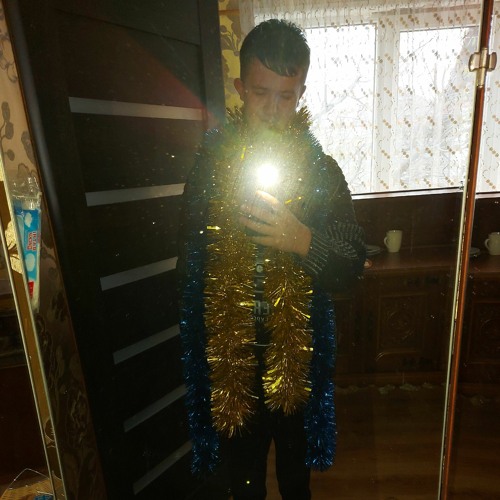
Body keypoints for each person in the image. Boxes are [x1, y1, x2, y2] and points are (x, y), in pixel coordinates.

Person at [177, 19, 366, 500]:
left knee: (296, 480)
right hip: (231, 356)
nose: (273, 110)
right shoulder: (210, 166)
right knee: (242, 479)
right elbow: (187, 262)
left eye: (286, 96)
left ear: (302, 92)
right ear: (240, 88)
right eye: (261, 93)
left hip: (298, 356)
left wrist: (302, 240)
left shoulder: (322, 171)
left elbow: (352, 265)